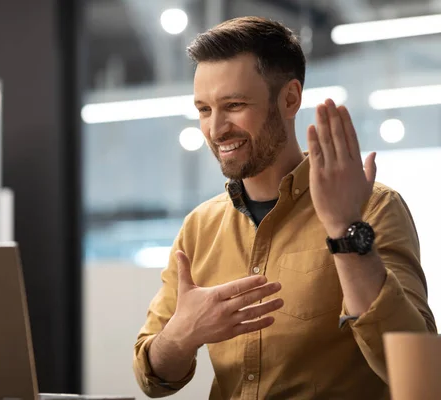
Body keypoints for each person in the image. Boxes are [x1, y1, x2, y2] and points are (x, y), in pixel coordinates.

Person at [132, 16, 437, 400]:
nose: (216, 128)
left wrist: (346, 232)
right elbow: (151, 377)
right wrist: (182, 334)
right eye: (205, 110)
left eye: (234, 105)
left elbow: (417, 374)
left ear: (290, 99)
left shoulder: (372, 208)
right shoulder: (200, 227)